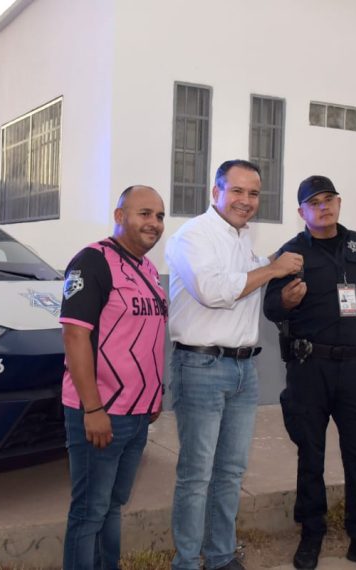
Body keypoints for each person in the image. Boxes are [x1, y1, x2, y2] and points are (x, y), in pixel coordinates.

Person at [166, 159, 304, 570]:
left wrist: (279, 275)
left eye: (254, 193)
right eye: (237, 191)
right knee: (197, 476)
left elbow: (257, 279)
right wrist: (273, 268)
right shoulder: (193, 235)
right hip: (201, 368)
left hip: (244, 371)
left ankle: (221, 556)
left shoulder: (245, 242)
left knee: (229, 472)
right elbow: (213, 291)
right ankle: (188, 562)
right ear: (216, 192)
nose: (246, 201)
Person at [263, 176, 356, 570]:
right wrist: (286, 301)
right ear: (301, 212)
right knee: (311, 455)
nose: (323, 207)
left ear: (339, 203)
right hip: (310, 369)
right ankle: (311, 534)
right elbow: (271, 307)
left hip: (354, 371)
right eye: (314, 203)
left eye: (329, 200)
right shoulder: (290, 253)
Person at [59, 186, 168, 569]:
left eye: (159, 216)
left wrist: (154, 396)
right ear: (120, 216)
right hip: (101, 412)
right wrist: (93, 408)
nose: (153, 223)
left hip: (138, 415)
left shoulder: (148, 269)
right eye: (144, 213)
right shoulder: (92, 262)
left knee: (113, 505)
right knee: (89, 511)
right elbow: (74, 335)